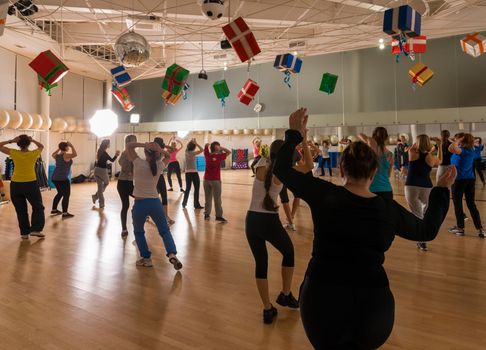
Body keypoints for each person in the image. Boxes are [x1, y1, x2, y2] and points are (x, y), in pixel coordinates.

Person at [274, 108, 455, 350]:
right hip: (372, 309)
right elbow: (427, 231)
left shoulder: (325, 194)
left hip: (321, 301)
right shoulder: (387, 209)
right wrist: (441, 190)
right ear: (374, 172)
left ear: (341, 168)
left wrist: (295, 134)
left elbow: (282, 170)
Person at [245, 139, 299, 324]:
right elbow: (307, 165)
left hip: (251, 220)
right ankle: (285, 294)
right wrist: (304, 141)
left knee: (261, 264)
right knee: (289, 252)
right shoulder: (282, 173)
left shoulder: (260, 163)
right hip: (268, 221)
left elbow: (264, 157)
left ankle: (267, 309)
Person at [126, 140, 183, 269]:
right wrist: (159, 149)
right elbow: (169, 155)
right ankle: (172, 254)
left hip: (140, 203)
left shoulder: (138, 163)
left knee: (139, 231)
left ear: (145, 152)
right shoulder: (159, 165)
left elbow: (129, 146)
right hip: (155, 203)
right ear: (157, 154)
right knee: (164, 230)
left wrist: (143, 145)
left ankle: (146, 258)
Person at [0, 135, 46, 239]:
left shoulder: (14, 153)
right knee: (38, 206)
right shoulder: (33, 153)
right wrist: (32, 139)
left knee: (21, 209)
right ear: (28, 143)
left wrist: (11, 140)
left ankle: (24, 233)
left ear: (18, 144)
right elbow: (41, 146)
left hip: (16, 185)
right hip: (30, 184)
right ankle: (35, 229)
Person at [405, 135, 442, 251]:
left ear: (417, 142)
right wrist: (439, 145)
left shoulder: (412, 152)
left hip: (411, 186)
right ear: (428, 143)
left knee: (417, 214)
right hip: (426, 187)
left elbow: (413, 147)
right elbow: (440, 161)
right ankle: (423, 240)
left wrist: (419, 141)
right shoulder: (430, 157)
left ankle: (421, 240)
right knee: (425, 212)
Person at [448, 134, 485, 238]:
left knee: (458, 203)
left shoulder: (463, 151)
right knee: (471, 204)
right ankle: (480, 229)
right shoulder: (470, 150)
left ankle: (460, 229)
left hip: (459, 181)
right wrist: (458, 140)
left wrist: (458, 140)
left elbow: (451, 147)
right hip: (469, 180)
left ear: (463, 141)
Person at [359, 128, 394, 200]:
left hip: (371, 189)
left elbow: (360, 134)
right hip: (387, 190)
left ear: (374, 136)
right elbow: (388, 175)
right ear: (386, 138)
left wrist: (370, 139)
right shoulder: (390, 154)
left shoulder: (372, 147)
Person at [203, 141, 230, 222]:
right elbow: (229, 152)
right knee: (217, 199)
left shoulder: (207, 155)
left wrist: (208, 145)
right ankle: (218, 216)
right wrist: (221, 148)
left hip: (206, 180)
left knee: (207, 198)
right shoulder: (219, 157)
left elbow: (205, 146)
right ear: (217, 148)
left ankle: (206, 214)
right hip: (215, 180)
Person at [117, 134, 137, 238]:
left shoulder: (132, 153)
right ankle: (124, 228)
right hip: (123, 183)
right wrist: (129, 170)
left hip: (128, 182)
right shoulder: (126, 153)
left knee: (140, 199)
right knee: (125, 206)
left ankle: (137, 222)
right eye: (134, 141)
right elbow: (121, 163)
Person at [51, 141, 77, 219]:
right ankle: (65, 213)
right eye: (67, 146)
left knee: (60, 193)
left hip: (55, 178)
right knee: (66, 195)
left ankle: (54, 209)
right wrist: (72, 146)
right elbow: (75, 154)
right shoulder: (65, 155)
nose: (68, 147)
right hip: (62, 179)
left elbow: (52, 154)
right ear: (65, 148)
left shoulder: (57, 155)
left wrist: (59, 148)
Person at [92, 139, 119, 209]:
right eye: (109, 143)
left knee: (100, 188)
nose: (110, 145)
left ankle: (100, 201)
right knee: (106, 183)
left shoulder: (99, 151)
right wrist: (116, 155)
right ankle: (96, 197)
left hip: (96, 170)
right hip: (102, 171)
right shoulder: (104, 153)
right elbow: (112, 160)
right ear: (107, 144)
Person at [154, 137, 175, 225]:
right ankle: (148, 214)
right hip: (153, 176)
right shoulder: (152, 151)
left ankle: (166, 216)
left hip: (160, 176)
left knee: (164, 196)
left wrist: (162, 146)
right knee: (153, 196)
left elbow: (173, 149)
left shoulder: (162, 150)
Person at [182, 138, 204, 209]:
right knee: (196, 189)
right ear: (194, 147)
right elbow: (202, 149)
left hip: (187, 173)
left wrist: (192, 142)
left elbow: (188, 147)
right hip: (194, 173)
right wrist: (196, 143)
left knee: (188, 188)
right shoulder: (193, 153)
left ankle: (184, 203)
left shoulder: (186, 152)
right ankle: (196, 205)